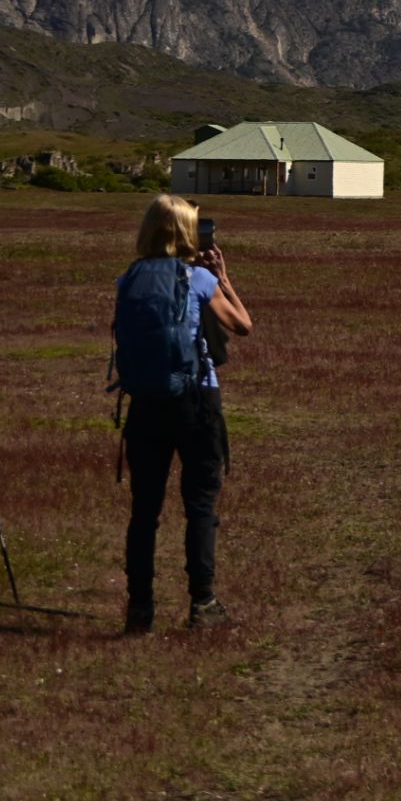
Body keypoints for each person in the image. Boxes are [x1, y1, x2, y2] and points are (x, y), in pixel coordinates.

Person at [118, 194, 253, 633]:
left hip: (144, 403)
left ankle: (140, 607)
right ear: (188, 233)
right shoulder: (196, 278)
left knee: (145, 509)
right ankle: (203, 602)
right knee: (199, 505)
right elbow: (242, 325)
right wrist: (223, 278)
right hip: (196, 401)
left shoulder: (129, 278)